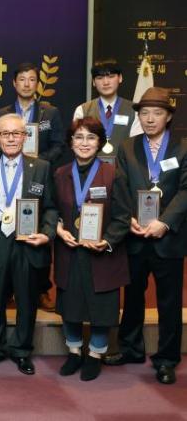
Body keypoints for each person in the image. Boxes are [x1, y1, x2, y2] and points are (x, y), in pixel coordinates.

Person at [104, 87, 187, 385]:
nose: (150, 119)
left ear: (168, 117)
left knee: (169, 302)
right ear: (138, 116)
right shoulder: (127, 147)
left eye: (157, 113)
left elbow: (185, 191)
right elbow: (120, 187)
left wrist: (164, 222)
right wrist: (129, 219)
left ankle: (166, 359)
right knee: (133, 297)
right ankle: (131, 349)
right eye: (145, 113)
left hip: (168, 238)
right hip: (136, 235)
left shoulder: (183, 147)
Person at [0, 113, 57, 376]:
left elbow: (51, 207)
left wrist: (47, 233)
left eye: (16, 133)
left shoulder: (42, 167)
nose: (11, 138)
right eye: (5, 133)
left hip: (28, 239)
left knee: (27, 298)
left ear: (25, 136)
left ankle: (22, 350)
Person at [53, 118, 131, 381]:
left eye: (90, 137)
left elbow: (123, 217)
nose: (84, 143)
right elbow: (53, 210)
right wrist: (58, 228)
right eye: (79, 137)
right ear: (70, 142)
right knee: (70, 305)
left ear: (99, 143)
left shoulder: (113, 174)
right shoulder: (60, 174)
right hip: (70, 250)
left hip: (101, 254)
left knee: (102, 307)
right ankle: (74, 352)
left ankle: (96, 354)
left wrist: (107, 241)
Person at [0, 62, 65, 312]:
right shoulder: (2, 113)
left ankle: (41, 290)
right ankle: (6, 290)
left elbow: (59, 144)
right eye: (22, 79)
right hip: (9, 172)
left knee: (37, 230)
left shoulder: (50, 112)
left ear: (38, 83)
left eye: (32, 79)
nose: (27, 84)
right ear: (14, 83)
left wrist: (36, 162)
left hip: (37, 175)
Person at [72, 60, 142, 157]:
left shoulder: (134, 110)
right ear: (93, 82)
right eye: (100, 78)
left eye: (111, 76)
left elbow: (136, 145)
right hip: (92, 164)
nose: (106, 82)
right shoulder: (82, 110)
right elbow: (78, 144)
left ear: (120, 78)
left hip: (123, 165)